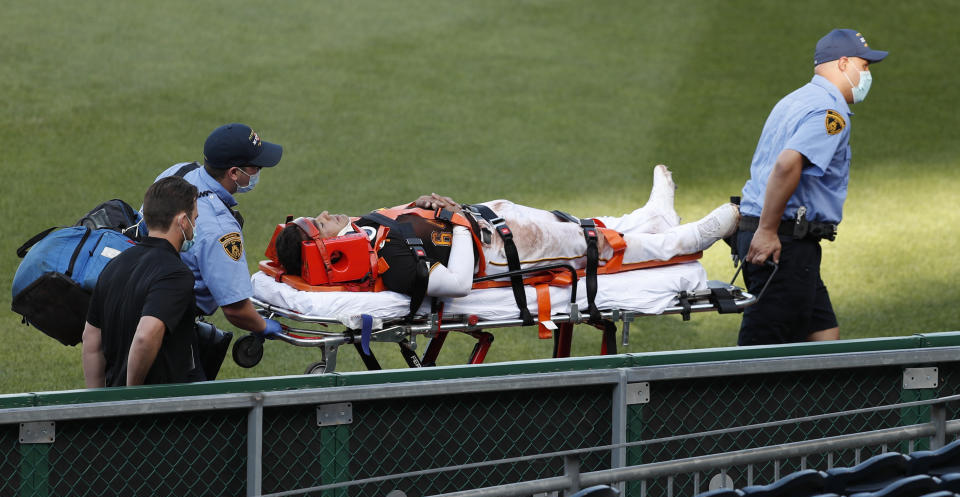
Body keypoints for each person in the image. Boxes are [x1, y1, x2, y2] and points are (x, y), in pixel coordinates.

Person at [273, 165, 739, 299]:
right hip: (498, 251)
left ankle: (649, 216)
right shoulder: (390, 263)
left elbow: (415, 228)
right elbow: (454, 284)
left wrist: (427, 206)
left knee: (573, 226)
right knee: (586, 245)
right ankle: (684, 240)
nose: (329, 212)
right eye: (320, 221)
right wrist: (455, 222)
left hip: (491, 224)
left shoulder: (369, 233)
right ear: (323, 245)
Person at [736, 29, 888, 345]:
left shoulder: (796, 99)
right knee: (763, 356)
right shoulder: (829, 112)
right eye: (865, 65)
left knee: (823, 335)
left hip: (778, 236)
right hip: (782, 240)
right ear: (844, 63)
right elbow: (786, 165)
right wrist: (767, 231)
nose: (867, 74)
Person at [154, 123, 285, 340]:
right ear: (234, 172)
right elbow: (236, 308)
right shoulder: (219, 228)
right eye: (255, 167)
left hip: (139, 291)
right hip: (168, 324)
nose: (258, 172)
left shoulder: (179, 171)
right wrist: (262, 325)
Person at [82, 177, 200, 387]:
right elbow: (145, 336)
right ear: (182, 221)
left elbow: (91, 339)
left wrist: (97, 403)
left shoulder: (115, 264)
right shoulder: (176, 274)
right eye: (194, 219)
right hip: (158, 409)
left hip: (113, 409)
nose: (194, 226)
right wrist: (133, 398)